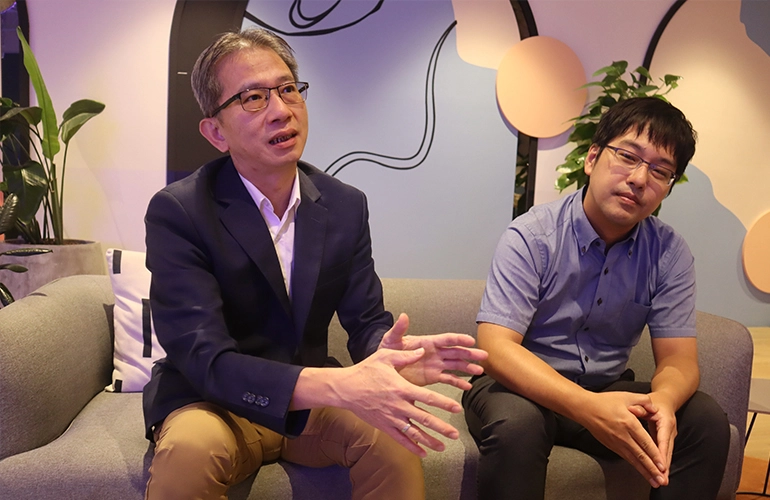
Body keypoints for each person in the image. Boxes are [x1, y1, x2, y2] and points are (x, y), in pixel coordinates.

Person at [142, 28, 487, 500]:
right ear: (215, 132)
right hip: (212, 400)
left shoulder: (344, 205)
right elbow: (203, 357)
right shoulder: (180, 211)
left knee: (393, 436)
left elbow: (366, 320)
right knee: (188, 453)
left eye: (287, 89)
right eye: (253, 98)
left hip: (308, 407)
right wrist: (338, 385)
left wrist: (392, 358)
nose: (281, 110)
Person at [462, 97, 730, 500]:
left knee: (704, 419)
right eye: (628, 156)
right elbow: (496, 348)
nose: (640, 179)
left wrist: (664, 401)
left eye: (661, 171)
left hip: (606, 389)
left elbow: (678, 359)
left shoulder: (668, 253)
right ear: (592, 158)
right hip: (519, 389)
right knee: (518, 424)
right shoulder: (532, 237)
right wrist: (586, 406)